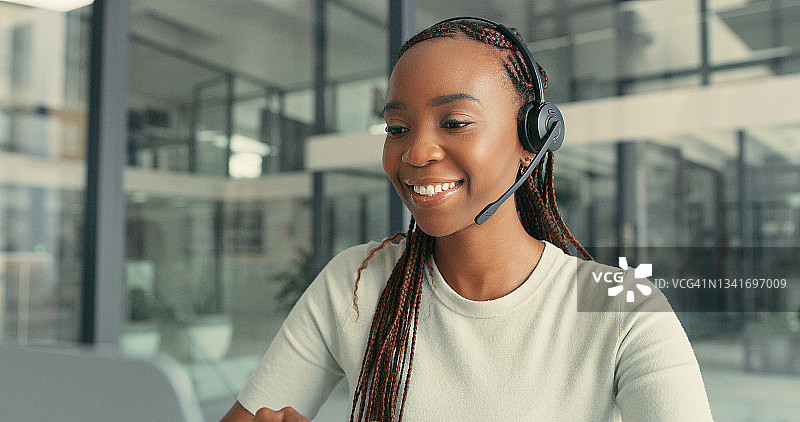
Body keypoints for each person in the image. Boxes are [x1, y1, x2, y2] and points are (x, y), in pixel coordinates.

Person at [222, 17, 713, 422]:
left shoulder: (625, 309)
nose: (416, 152)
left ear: (531, 141)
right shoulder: (355, 282)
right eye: (397, 127)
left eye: (455, 122)